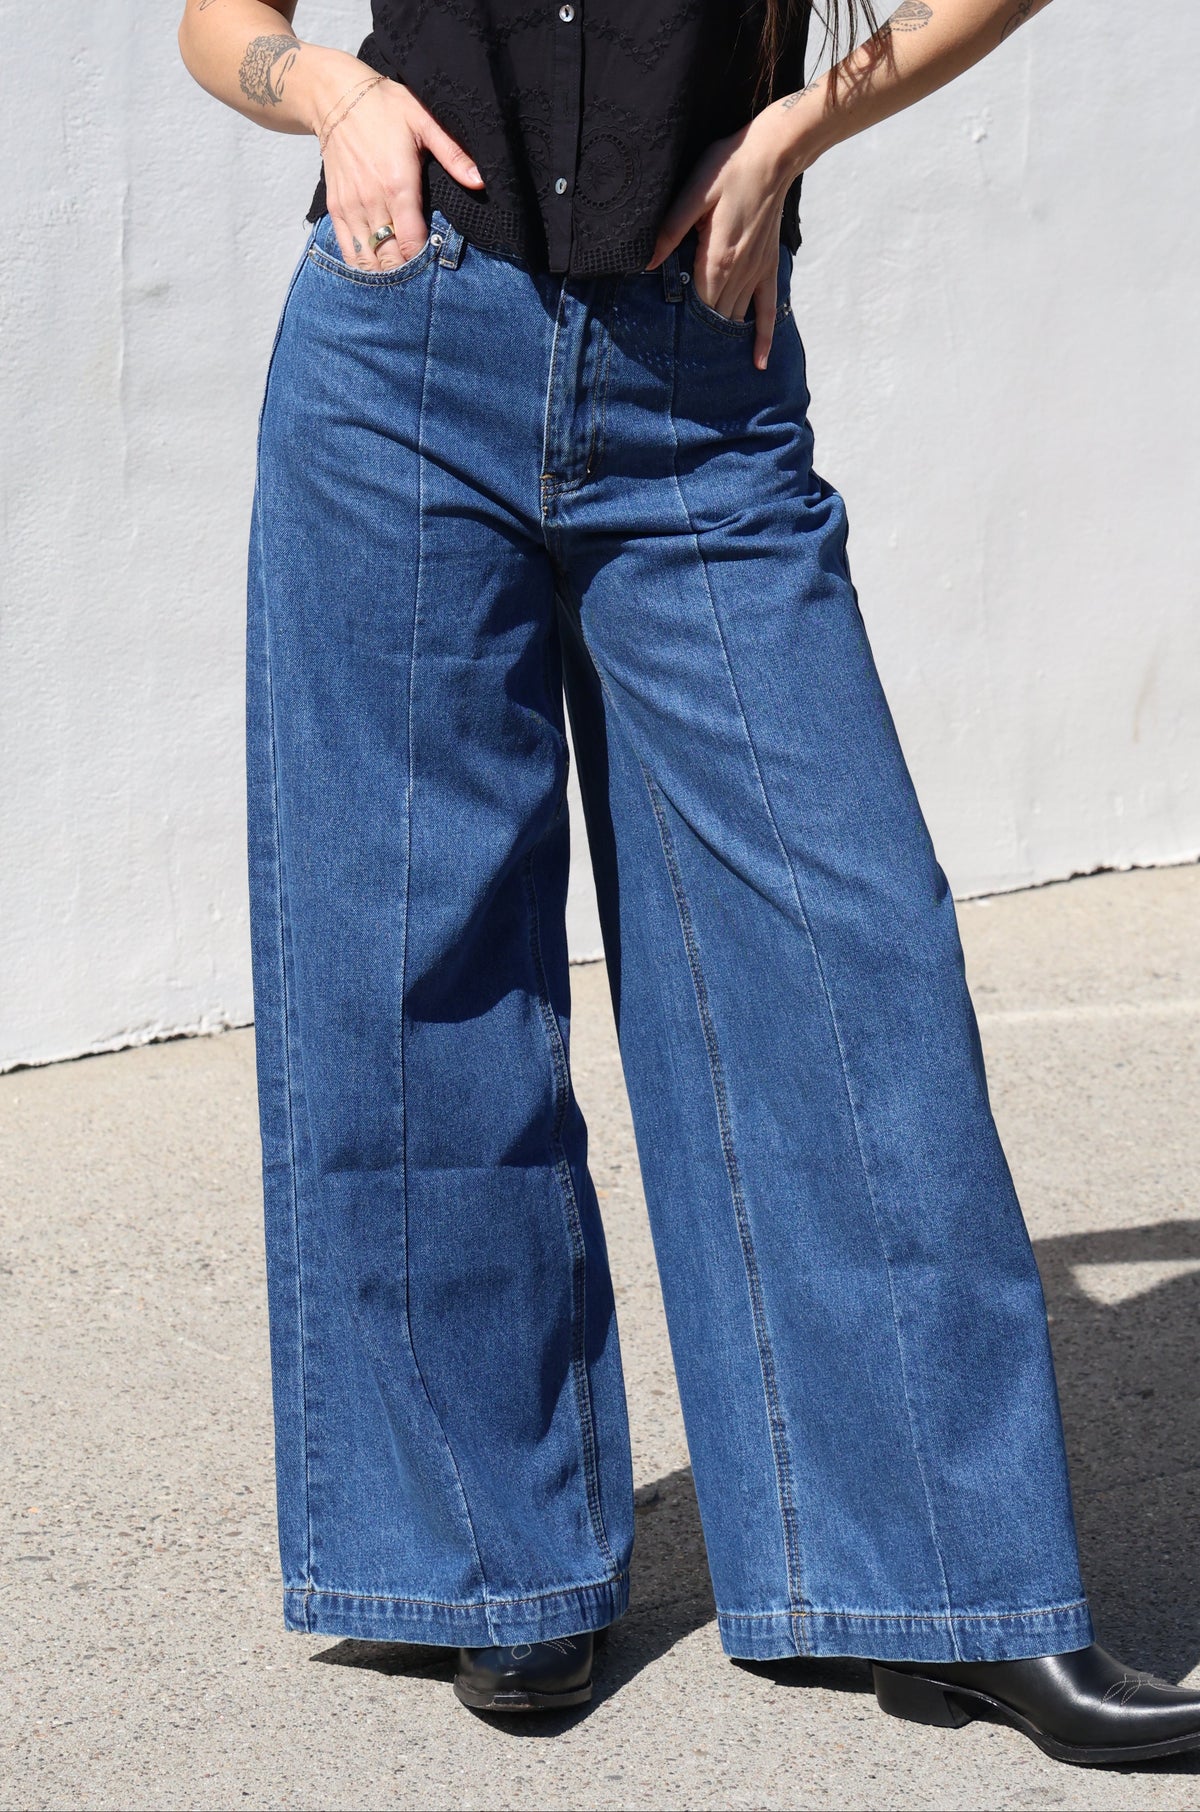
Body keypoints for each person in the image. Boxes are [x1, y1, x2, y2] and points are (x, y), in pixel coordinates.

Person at [178, 0, 1200, 1767]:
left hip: (695, 396)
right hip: (405, 350)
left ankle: (942, 1582)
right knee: (420, 967)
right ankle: (497, 1571)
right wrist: (332, 98)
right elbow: (219, 22)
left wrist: (800, 126)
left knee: (843, 952)